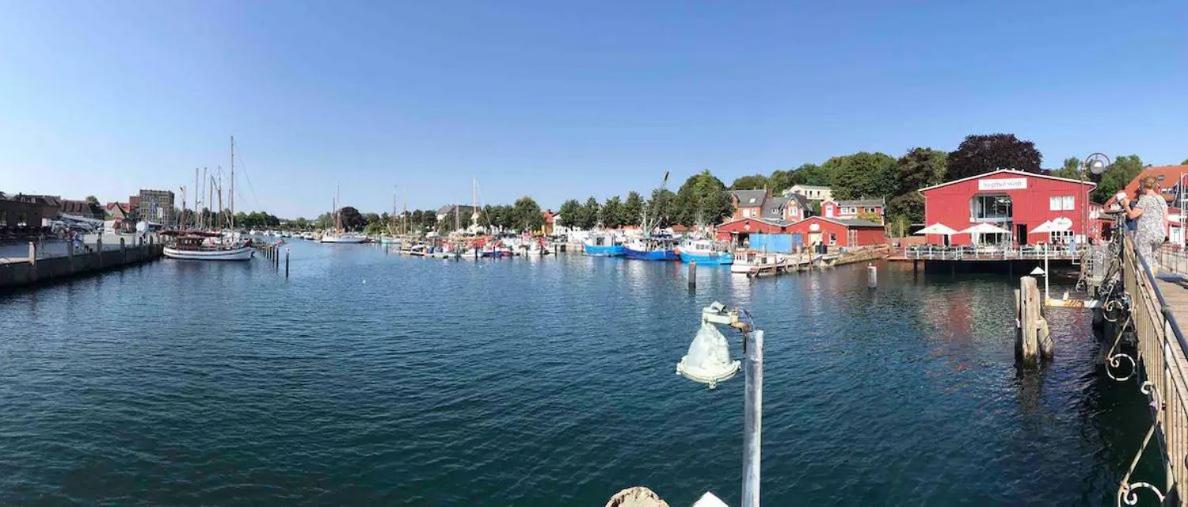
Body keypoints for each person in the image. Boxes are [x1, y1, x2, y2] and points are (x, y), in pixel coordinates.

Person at [1121, 176, 1168, 263]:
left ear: (1143, 186)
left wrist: (1126, 205)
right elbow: (1165, 218)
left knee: (1144, 264)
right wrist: (1166, 234)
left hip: (1146, 234)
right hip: (1159, 235)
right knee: (1153, 261)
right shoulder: (1161, 199)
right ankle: (1151, 275)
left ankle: (1144, 276)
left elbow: (1131, 215)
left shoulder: (1144, 199)